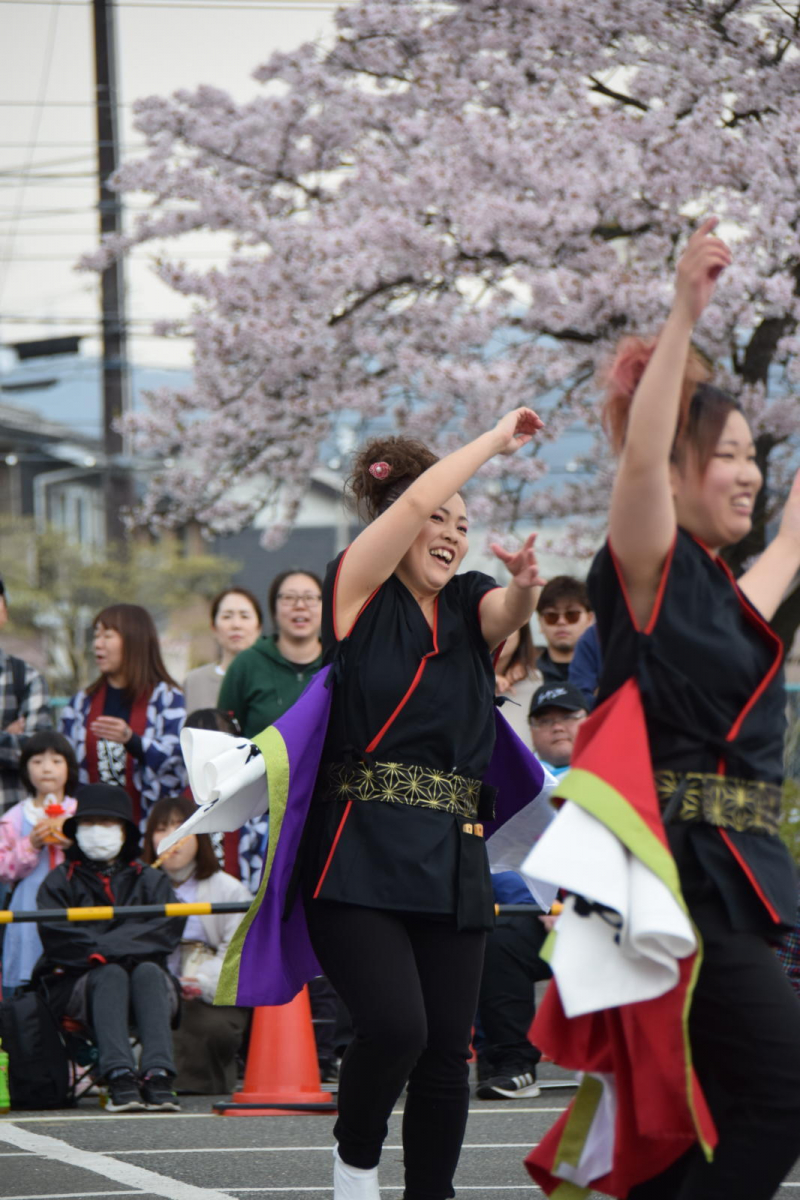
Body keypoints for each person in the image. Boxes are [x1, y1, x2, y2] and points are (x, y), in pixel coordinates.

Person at [527, 218, 800, 1199]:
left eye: (752, 456)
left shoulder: (726, 604)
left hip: (734, 881)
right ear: (679, 467)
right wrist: (683, 311)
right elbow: (639, 463)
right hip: (673, 881)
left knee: (696, 1124)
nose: (747, 471)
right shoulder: (643, 569)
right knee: (774, 1099)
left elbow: (786, 546)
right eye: (724, 454)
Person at [298, 413, 545, 1200]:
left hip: (451, 853)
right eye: (438, 516)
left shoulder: (471, 602)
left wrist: (530, 583)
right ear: (399, 520)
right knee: (397, 1028)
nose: (451, 532)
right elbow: (407, 509)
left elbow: (507, 613)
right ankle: (355, 1161)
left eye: (464, 524)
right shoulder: (357, 591)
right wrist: (493, 442)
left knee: (447, 1048)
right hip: (356, 848)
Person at [35, 783, 185, 1113]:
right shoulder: (60, 880)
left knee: (147, 971)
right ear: (76, 830)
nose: (97, 832)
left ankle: (158, 1075)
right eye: (89, 823)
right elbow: (57, 935)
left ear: (124, 831)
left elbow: (167, 928)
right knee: (111, 973)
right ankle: (118, 1076)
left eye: (107, 823)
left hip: (149, 984)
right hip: (81, 987)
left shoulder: (150, 879)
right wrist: (106, 954)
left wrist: (110, 948)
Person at [143, 795, 251, 1095]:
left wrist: (202, 983)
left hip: (208, 990)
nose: (171, 839)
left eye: (181, 828)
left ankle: (193, 1086)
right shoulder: (139, 886)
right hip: (155, 984)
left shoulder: (227, 888)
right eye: (161, 829)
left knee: (208, 1027)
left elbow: (237, 950)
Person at [60, 604, 187, 831]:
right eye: (96, 635)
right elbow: (66, 765)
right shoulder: (82, 703)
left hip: (151, 829)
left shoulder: (167, 698)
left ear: (134, 641)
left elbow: (178, 764)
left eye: (107, 636)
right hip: (92, 833)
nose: (97, 643)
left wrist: (133, 741)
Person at [0, 731, 78, 994]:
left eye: (57, 761)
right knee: (28, 980)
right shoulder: (15, 816)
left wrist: (72, 845)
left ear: (70, 768)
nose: (47, 769)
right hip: (28, 906)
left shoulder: (81, 812)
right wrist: (30, 844)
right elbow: (2, 868)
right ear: (25, 769)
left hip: (75, 903)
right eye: (37, 761)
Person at [218, 570, 323, 740]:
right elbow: (223, 737)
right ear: (273, 607)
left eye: (310, 598)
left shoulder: (338, 663)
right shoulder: (246, 664)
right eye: (289, 598)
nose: (300, 606)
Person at [0, 576, 53, 816]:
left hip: (11, 828)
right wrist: (6, 737)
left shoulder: (26, 677)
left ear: (4, 612)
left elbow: (38, 753)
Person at [183, 588, 263, 713]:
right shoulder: (194, 681)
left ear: (259, 627)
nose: (236, 624)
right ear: (213, 627)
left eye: (245, 616)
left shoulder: (273, 678)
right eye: (227, 616)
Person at [534, 576, 594, 685]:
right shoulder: (523, 677)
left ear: (590, 619)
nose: (561, 622)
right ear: (540, 622)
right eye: (551, 616)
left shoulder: (609, 672)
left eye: (572, 615)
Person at [527, 683, 588, 776]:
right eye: (545, 721)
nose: (557, 727)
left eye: (567, 717)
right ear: (531, 732)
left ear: (589, 721)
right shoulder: (515, 782)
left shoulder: (614, 769)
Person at [494, 622, 539, 743]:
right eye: (490, 623)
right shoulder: (452, 679)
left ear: (522, 632)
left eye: (508, 624)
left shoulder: (538, 682)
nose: (499, 633)